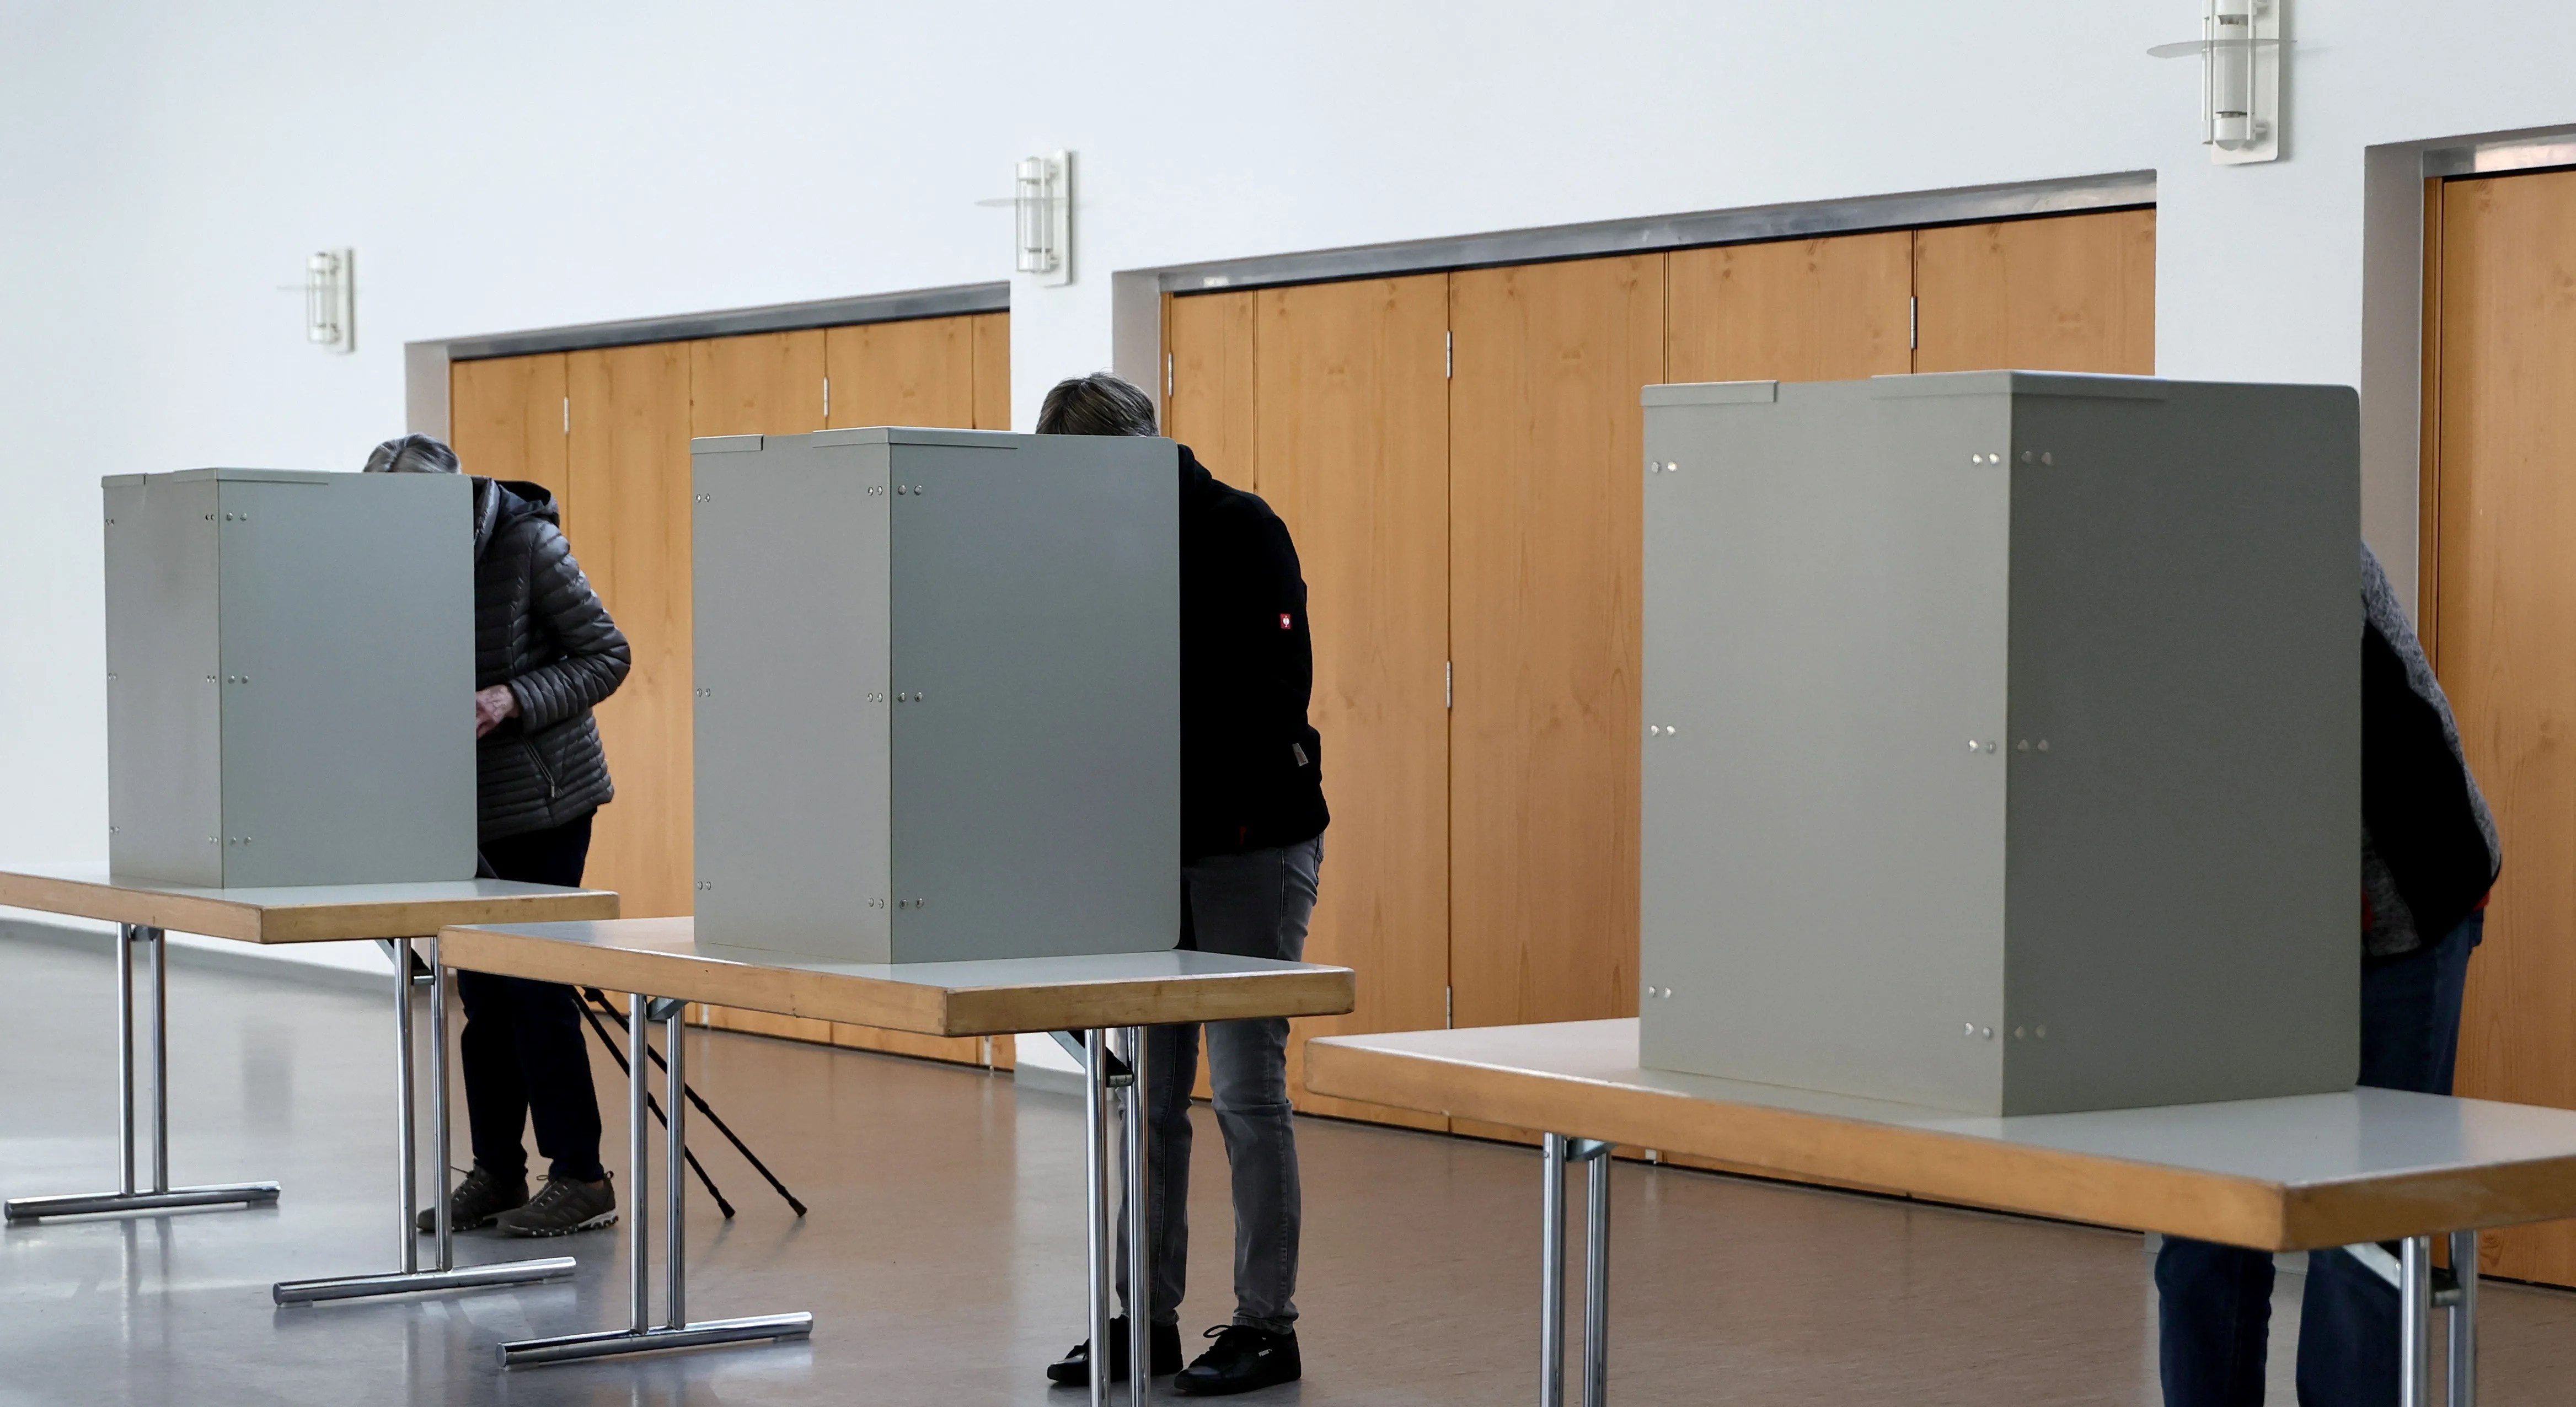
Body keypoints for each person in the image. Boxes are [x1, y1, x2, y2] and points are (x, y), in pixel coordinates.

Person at [1037, 374, 1329, 1397]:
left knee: (1248, 1092)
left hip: (1251, 846)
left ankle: (1266, 1326)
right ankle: (1142, 1320)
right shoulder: (1093, 547)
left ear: (1139, 452)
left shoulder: (1239, 527)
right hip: (1146, 858)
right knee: (1150, 1101)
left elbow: (1266, 698)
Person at [2156, 543, 2501, 1406]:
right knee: (2206, 1235)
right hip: (2248, 931)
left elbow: (2330, 763)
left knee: (2363, 1237)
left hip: (2404, 905)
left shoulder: (2293, 542)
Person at [368, 434, 634, 1239]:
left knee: (537, 994)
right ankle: (496, 1171)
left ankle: (582, 1177)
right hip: (458, 806)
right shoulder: (396, 560)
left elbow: (607, 656)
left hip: (546, 801)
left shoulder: (528, 542)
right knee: (480, 997)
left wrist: (508, 699)